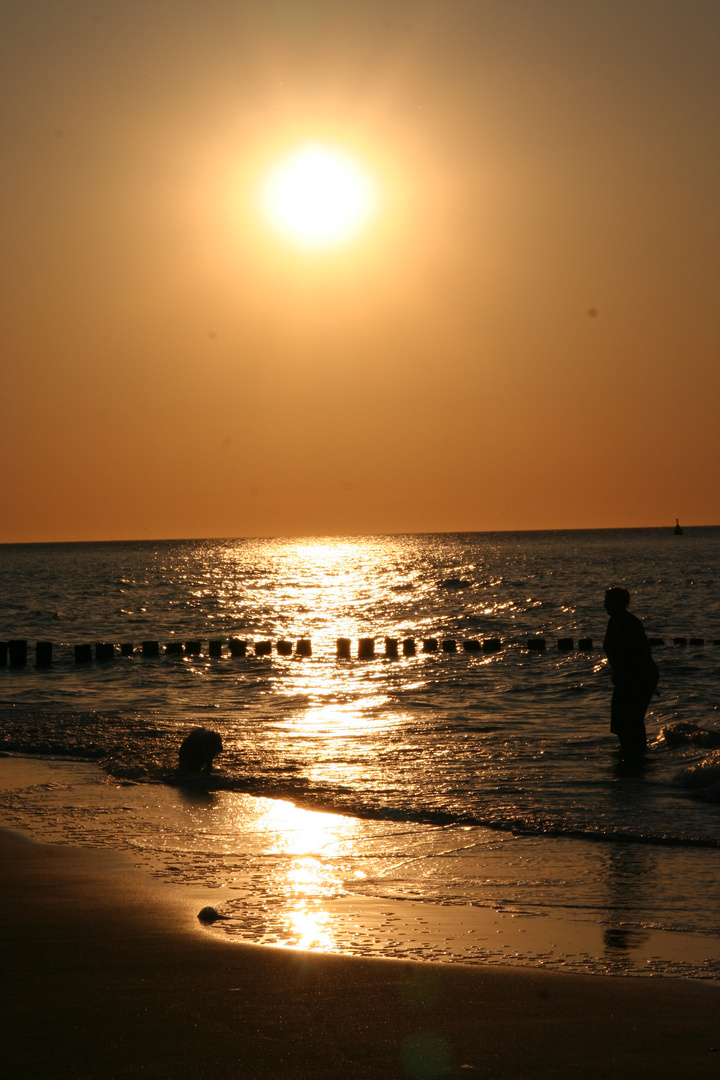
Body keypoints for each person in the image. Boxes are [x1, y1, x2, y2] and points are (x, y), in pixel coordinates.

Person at [602, 587, 659, 754]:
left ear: (619, 604)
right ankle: (628, 754)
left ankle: (637, 755)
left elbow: (640, 655)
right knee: (620, 719)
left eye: (608, 602)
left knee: (632, 719)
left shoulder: (630, 623)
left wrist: (636, 682)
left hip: (638, 677)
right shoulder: (614, 622)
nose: (605, 606)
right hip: (625, 678)